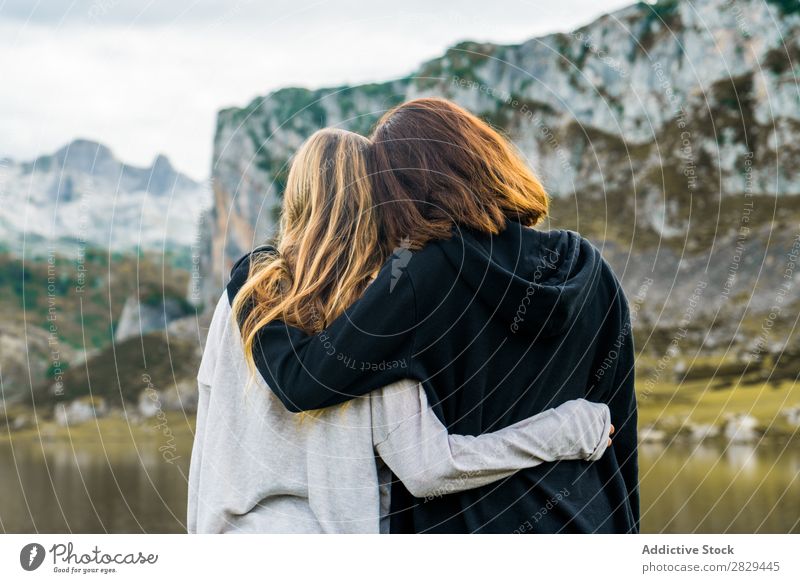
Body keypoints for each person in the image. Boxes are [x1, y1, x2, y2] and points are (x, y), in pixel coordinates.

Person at [187, 128, 614, 534]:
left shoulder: (242, 299)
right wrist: (564, 429)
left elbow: (207, 442)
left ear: (294, 198)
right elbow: (430, 469)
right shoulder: (375, 315)